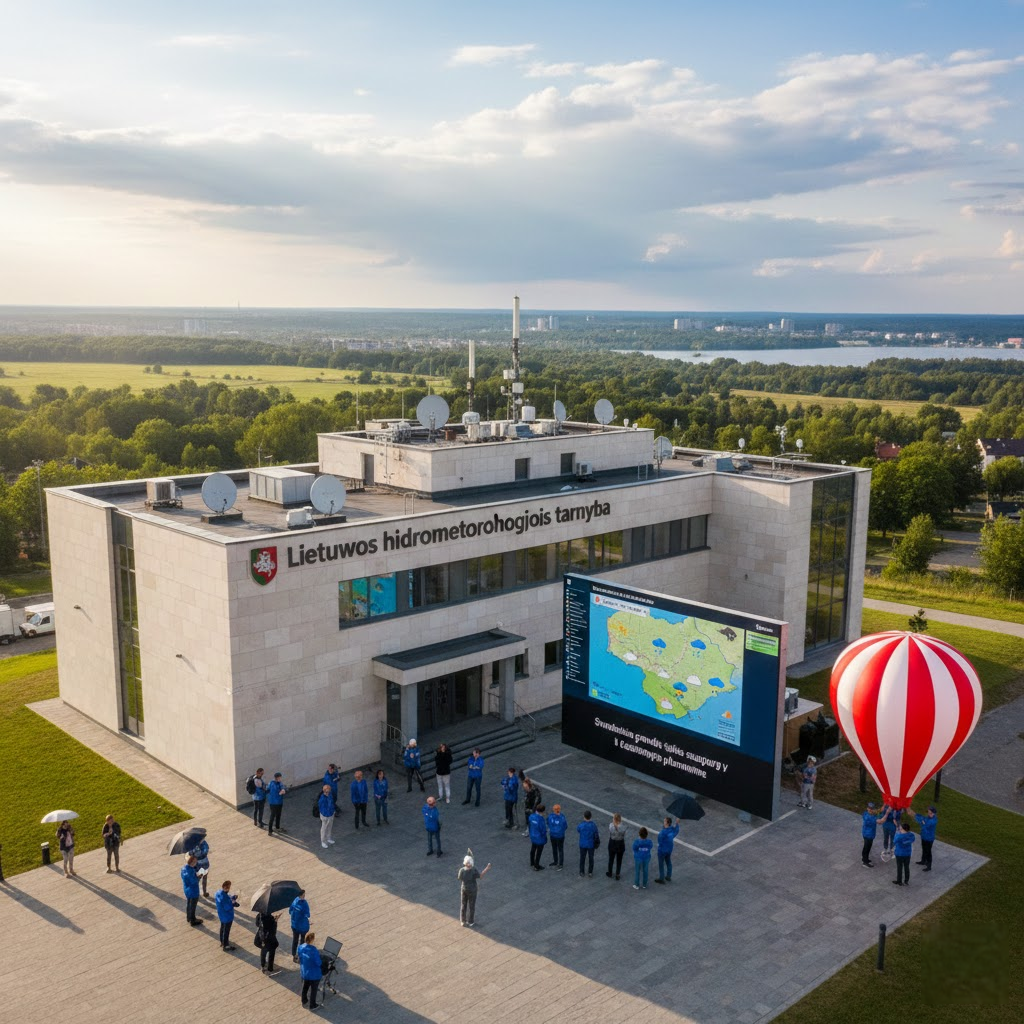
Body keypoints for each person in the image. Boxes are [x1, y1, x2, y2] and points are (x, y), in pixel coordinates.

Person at [457, 854, 491, 926]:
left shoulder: (462, 870)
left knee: (464, 905)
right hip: (472, 889)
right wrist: (487, 869)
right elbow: (480, 876)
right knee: (471, 906)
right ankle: (470, 921)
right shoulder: (473, 870)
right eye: (468, 863)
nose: (469, 864)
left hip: (464, 889)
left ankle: (463, 920)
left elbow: (459, 878)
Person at [298, 931, 323, 1009]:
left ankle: (304, 1000)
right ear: (312, 940)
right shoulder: (314, 950)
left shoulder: (300, 947)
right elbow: (318, 963)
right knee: (314, 989)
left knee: (305, 986)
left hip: (305, 972)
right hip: (314, 974)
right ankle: (313, 1005)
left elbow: (299, 957)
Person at [215, 880, 239, 950]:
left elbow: (225, 899)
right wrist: (233, 904)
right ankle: (225, 945)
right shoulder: (224, 897)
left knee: (222, 928)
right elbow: (227, 907)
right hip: (227, 916)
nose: (229, 889)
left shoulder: (218, 893)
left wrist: (232, 898)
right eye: (228, 887)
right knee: (226, 931)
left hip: (221, 915)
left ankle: (222, 941)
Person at [655, 817, 679, 883]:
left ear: (667, 823)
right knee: (668, 862)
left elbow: (660, 841)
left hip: (662, 851)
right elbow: (676, 831)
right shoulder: (672, 830)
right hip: (669, 849)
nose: (664, 822)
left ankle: (661, 878)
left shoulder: (662, 832)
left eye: (665, 821)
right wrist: (677, 823)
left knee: (661, 864)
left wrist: (659, 848)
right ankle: (668, 876)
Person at [914, 805, 938, 871]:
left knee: (928, 852)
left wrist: (922, 822)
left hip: (929, 839)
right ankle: (923, 861)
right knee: (924, 849)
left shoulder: (933, 820)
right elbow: (923, 819)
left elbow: (924, 826)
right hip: (924, 836)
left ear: (933, 813)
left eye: (930, 813)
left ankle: (929, 866)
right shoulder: (929, 817)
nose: (928, 814)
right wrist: (920, 819)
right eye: (928, 812)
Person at [892, 819, 915, 886]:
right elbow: (913, 839)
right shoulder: (911, 835)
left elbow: (894, 841)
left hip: (899, 854)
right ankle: (906, 881)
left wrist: (897, 833)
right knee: (906, 867)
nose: (900, 829)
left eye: (901, 828)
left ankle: (899, 881)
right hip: (907, 854)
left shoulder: (899, 836)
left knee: (899, 867)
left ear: (903, 829)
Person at [290, 889, 311, 961]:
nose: (304, 896)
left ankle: (294, 955)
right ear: (301, 895)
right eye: (303, 895)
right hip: (302, 927)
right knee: (302, 940)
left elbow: (290, 911)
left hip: (294, 925)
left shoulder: (294, 901)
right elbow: (307, 914)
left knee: (295, 940)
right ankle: (300, 955)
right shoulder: (304, 903)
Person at [257, 910, 281, 975]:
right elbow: (273, 931)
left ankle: (263, 965)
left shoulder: (259, 915)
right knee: (272, 951)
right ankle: (270, 968)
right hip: (270, 939)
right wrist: (275, 921)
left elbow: (257, 924)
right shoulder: (269, 918)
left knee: (263, 951)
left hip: (262, 937)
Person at [181, 854, 202, 926]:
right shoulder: (191, 871)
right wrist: (199, 877)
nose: (196, 863)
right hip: (193, 891)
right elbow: (194, 882)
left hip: (187, 889)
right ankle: (193, 920)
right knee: (193, 906)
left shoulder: (184, 868)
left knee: (189, 904)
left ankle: (188, 917)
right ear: (192, 862)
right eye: (195, 862)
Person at [577, 810, 599, 877]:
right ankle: (590, 872)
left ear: (584, 817)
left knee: (582, 858)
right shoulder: (593, 825)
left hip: (583, 844)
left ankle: (582, 871)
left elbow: (578, 829)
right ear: (590, 817)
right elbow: (596, 834)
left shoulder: (581, 825)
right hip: (590, 844)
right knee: (591, 858)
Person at [606, 813, 627, 879]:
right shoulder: (623, 826)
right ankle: (617, 874)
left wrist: (614, 824)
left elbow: (610, 830)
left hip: (612, 843)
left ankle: (610, 873)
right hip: (620, 843)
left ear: (614, 819)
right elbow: (624, 832)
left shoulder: (611, 825)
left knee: (611, 859)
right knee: (619, 860)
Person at [528, 802, 548, 870]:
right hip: (540, 838)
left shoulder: (531, 816)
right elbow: (543, 830)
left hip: (533, 836)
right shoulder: (541, 820)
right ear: (542, 811)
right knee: (539, 852)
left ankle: (532, 862)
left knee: (533, 849)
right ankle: (536, 865)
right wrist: (545, 836)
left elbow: (529, 825)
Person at [547, 804, 568, 868]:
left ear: (553, 809)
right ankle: (561, 864)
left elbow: (547, 823)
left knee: (554, 848)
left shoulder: (550, 816)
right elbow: (565, 826)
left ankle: (555, 861)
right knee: (560, 849)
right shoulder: (562, 817)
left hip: (553, 835)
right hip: (560, 836)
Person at [318, 784, 337, 849]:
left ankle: (328, 838)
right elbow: (322, 808)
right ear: (324, 791)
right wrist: (326, 814)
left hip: (331, 814)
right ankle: (323, 841)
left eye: (328, 791)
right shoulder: (322, 799)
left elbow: (332, 803)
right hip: (325, 816)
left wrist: (333, 811)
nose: (327, 793)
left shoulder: (330, 795)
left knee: (329, 827)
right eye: (326, 792)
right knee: (324, 828)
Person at [861, 801, 879, 867]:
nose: (871, 810)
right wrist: (886, 814)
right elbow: (880, 821)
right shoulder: (869, 817)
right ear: (867, 808)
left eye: (872, 808)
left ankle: (865, 859)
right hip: (868, 835)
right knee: (867, 848)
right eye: (870, 808)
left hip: (868, 834)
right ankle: (865, 862)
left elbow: (877, 812)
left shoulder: (866, 813)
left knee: (867, 847)